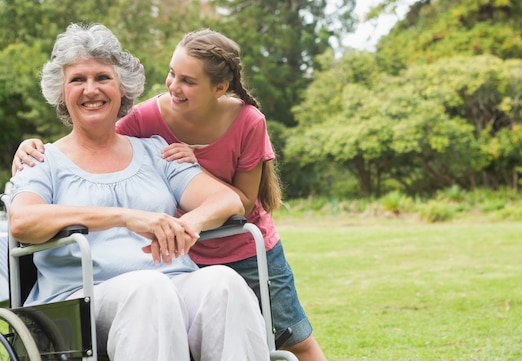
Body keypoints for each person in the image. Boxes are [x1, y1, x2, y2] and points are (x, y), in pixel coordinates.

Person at [14, 28, 328, 361]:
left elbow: (230, 200)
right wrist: (124, 217)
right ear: (61, 92)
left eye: (103, 77)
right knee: (150, 289)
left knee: (224, 283)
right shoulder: (42, 159)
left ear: (122, 87)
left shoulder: (156, 152)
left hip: (173, 282)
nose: (91, 89)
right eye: (77, 79)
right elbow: (23, 221)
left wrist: (191, 222)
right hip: (83, 299)